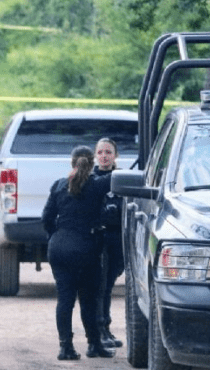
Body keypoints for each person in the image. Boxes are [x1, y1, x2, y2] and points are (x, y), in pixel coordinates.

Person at [42, 145, 115, 361]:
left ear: (71, 162)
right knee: (89, 300)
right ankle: (94, 344)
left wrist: (56, 236)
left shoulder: (58, 185)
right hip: (86, 248)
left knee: (65, 299)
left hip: (59, 247)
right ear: (92, 163)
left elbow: (46, 218)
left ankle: (66, 347)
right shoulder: (98, 184)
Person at [94, 138, 125, 349]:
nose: (104, 156)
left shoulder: (122, 178)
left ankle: (106, 329)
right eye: (100, 152)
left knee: (108, 286)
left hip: (117, 239)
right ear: (96, 155)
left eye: (108, 152)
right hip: (98, 240)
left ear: (115, 155)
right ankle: (99, 330)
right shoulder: (91, 178)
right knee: (100, 287)